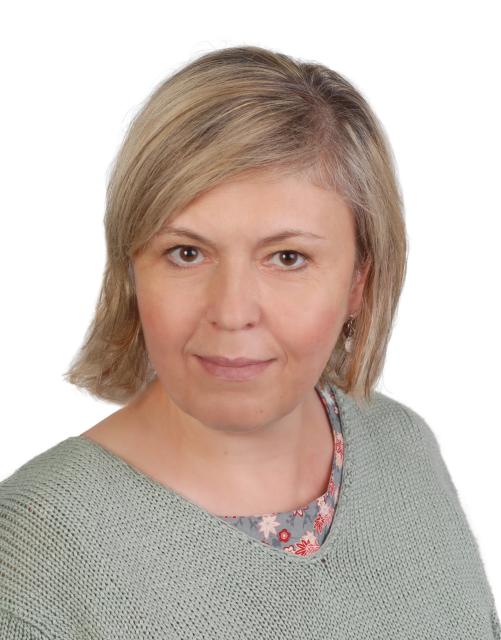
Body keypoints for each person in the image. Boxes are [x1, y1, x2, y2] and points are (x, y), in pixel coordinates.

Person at [0, 45, 499, 639]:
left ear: (358, 282)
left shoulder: (403, 443)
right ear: (131, 272)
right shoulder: (34, 552)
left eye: (287, 257)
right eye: (186, 253)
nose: (232, 313)